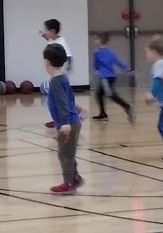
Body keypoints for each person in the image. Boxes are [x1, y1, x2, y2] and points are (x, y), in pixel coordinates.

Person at [43, 42, 83, 194]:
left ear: (47, 62)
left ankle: (69, 183)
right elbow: (71, 99)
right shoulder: (63, 78)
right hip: (72, 122)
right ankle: (75, 178)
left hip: (69, 124)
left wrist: (65, 123)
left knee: (64, 154)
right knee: (68, 153)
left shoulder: (55, 82)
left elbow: (63, 104)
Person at [91, 33, 134, 122]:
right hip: (112, 77)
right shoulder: (110, 52)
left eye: (96, 39)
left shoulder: (97, 52)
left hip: (105, 78)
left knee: (110, 95)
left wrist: (98, 69)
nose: (94, 41)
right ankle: (103, 114)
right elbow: (118, 62)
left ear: (100, 41)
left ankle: (127, 106)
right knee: (99, 94)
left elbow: (95, 65)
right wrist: (128, 70)